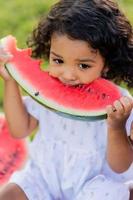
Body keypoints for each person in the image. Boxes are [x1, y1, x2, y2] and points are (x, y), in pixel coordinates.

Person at [0, 0, 133, 199]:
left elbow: (120, 166)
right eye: (58, 60)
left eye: (83, 66)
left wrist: (116, 127)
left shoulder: (119, 104)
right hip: (44, 178)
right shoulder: (47, 92)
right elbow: (20, 130)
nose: (68, 75)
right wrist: (11, 81)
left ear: (107, 64)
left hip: (93, 184)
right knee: (9, 193)